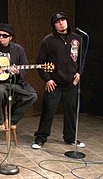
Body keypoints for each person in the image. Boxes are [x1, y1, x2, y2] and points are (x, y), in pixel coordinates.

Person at [31, 12, 85, 149]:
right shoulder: (48, 41)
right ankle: (41, 137)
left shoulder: (77, 38)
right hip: (54, 82)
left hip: (71, 82)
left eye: (63, 20)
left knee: (70, 110)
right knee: (48, 109)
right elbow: (40, 62)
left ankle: (70, 138)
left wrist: (79, 73)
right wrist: (47, 79)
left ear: (67, 22)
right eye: (57, 22)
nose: (61, 23)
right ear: (54, 25)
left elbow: (81, 59)